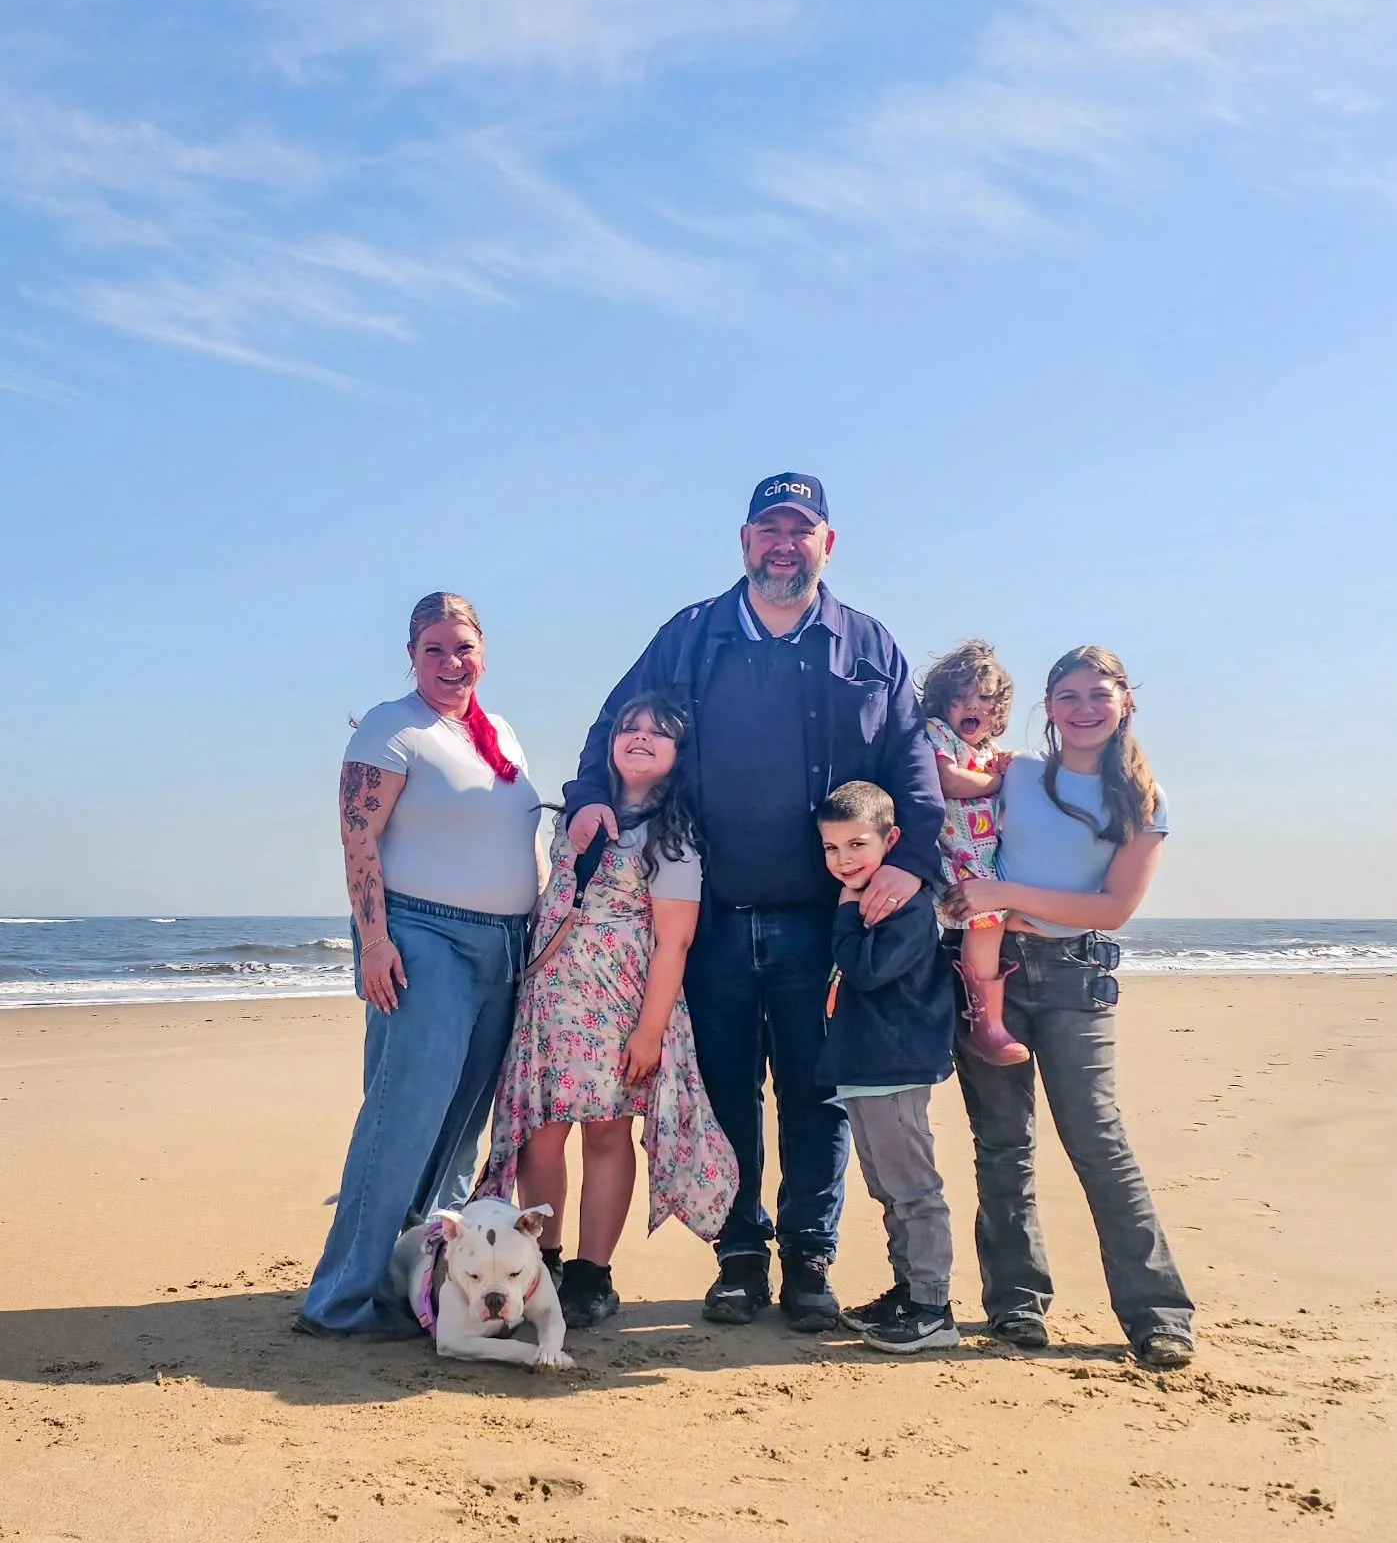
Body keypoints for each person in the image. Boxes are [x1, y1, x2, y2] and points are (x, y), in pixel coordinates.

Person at [565, 473, 944, 1331]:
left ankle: (809, 1261)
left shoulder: (867, 645)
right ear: (744, 542)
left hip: (824, 920)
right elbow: (617, 720)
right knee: (726, 1094)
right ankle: (739, 1258)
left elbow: (912, 757)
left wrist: (914, 862)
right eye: (769, 529)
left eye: (800, 530)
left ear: (826, 545)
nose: (783, 544)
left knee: (817, 1094)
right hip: (711, 918)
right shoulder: (692, 634)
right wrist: (590, 794)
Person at [943, 645, 1195, 1371]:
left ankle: (1158, 1313)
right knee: (1002, 1144)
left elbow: (1112, 909)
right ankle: (1016, 1303)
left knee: (1098, 1141)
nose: (1084, 709)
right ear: (1048, 707)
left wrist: (1006, 896)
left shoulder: (1144, 800)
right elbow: (950, 806)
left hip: (1074, 979)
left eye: (1099, 694)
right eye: (1068, 696)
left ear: (1126, 702)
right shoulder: (1015, 772)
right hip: (987, 973)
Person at [296, 592, 540, 1337]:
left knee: (459, 1132)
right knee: (401, 1121)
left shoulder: (500, 733)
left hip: (507, 948)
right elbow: (358, 840)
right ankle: (340, 1300)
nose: (450, 662)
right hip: (424, 939)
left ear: (483, 653)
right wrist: (374, 941)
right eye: (434, 648)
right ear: (412, 656)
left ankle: (422, 1286)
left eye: (463, 647)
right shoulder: (391, 727)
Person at [479, 695, 738, 1330]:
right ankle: (542, 1262)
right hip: (550, 1003)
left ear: (680, 755)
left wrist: (650, 1033)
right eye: (629, 728)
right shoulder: (577, 813)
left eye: (658, 733)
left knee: (605, 1133)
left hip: (619, 1005)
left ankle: (593, 1275)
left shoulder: (673, 835)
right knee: (541, 1134)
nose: (640, 738)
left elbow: (674, 941)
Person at [814, 782, 958, 1354]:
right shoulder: (866, 896)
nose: (844, 859)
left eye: (857, 845)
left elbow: (866, 969)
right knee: (888, 1188)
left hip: (895, 1066)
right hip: (864, 1066)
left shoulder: (901, 903)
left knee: (914, 1189)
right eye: (831, 848)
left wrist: (846, 912)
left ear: (890, 840)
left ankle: (933, 1307)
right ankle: (908, 1291)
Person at [919, 639, 1027, 1067]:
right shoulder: (938, 734)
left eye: (984, 698)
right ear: (942, 703)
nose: (972, 706)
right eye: (961, 697)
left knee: (997, 921)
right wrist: (997, 781)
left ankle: (986, 1015)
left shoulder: (988, 752)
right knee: (986, 921)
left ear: (998, 710)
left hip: (986, 860)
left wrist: (1011, 765)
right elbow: (949, 781)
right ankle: (986, 1024)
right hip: (956, 855)